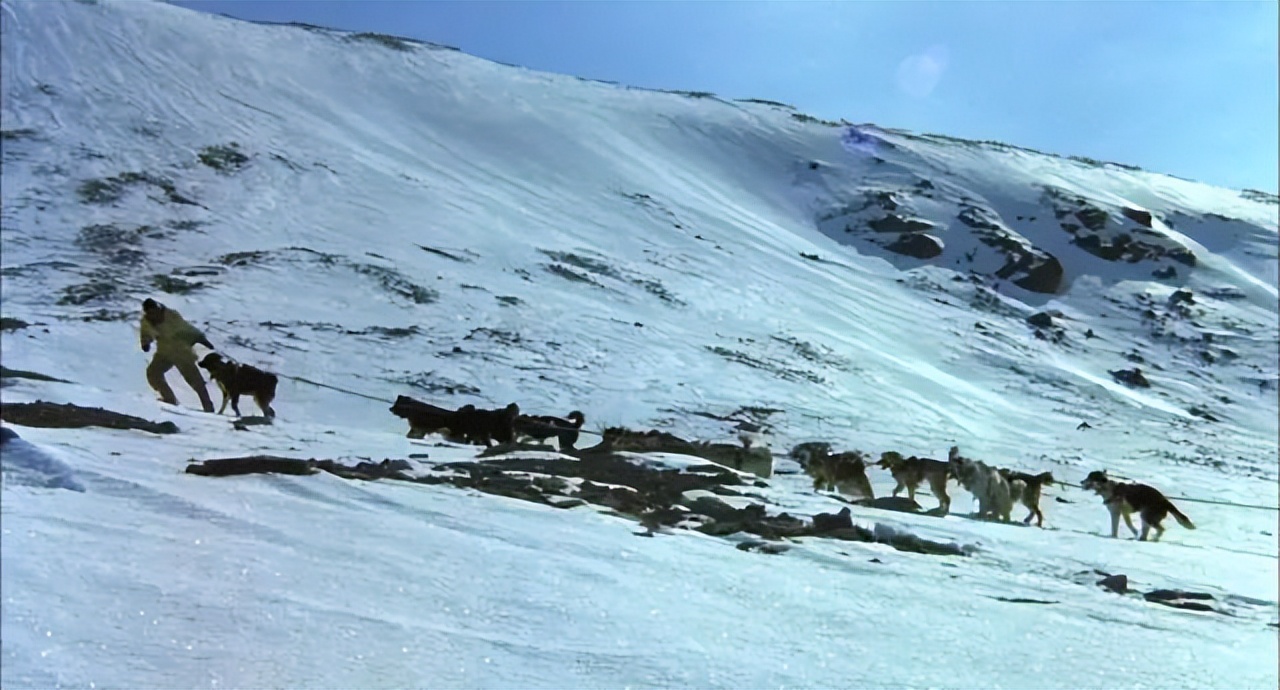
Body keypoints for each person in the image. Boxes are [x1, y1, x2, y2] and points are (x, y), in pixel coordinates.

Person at [139, 298, 215, 412]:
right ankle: (169, 399)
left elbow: (185, 327)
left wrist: (201, 338)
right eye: (149, 313)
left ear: (157, 308)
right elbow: (147, 332)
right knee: (153, 373)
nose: (152, 315)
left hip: (181, 352)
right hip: (164, 353)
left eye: (153, 311)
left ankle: (208, 406)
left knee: (195, 381)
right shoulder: (147, 321)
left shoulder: (171, 315)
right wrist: (146, 342)